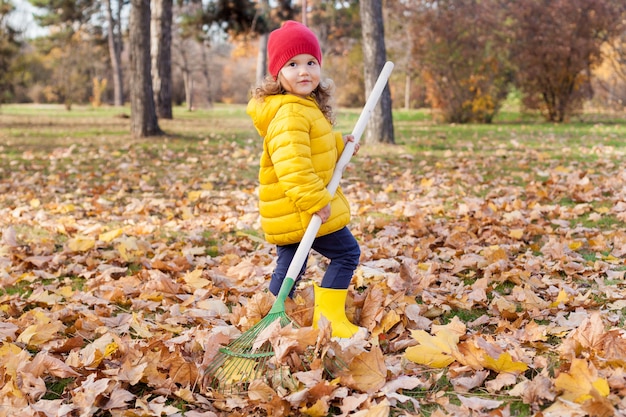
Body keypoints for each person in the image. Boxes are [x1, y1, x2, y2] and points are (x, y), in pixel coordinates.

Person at [246, 20, 361, 338]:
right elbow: (292, 166)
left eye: (311, 62)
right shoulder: (290, 113)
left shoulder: (302, 107)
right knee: (346, 253)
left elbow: (313, 151)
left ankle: (270, 320)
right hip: (299, 205)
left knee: (290, 269)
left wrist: (341, 146)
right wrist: (315, 201)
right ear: (277, 74)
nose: (304, 71)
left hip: (290, 209)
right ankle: (329, 320)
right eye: (293, 64)